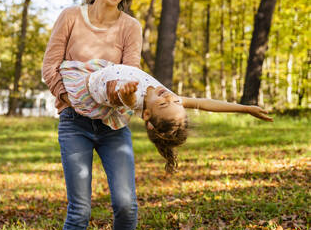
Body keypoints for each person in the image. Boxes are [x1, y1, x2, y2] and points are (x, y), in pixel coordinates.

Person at [42, 0, 142, 230]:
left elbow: (129, 72)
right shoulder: (71, 17)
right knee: (80, 211)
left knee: (126, 206)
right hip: (75, 123)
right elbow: (50, 66)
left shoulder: (130, 27)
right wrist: (71, 99)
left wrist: (125, 93)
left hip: (114, 126)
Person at [59, 59, 273, 173]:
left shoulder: (134, 98)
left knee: (70, 80)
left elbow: (124, 99)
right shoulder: (167, 98)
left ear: (148, 114)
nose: (170, 97)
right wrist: (245, 108)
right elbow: (206, 104)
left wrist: (124, 95)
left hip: (92, 85)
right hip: (102, 68)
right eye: (176, 101)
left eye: (164, 103)